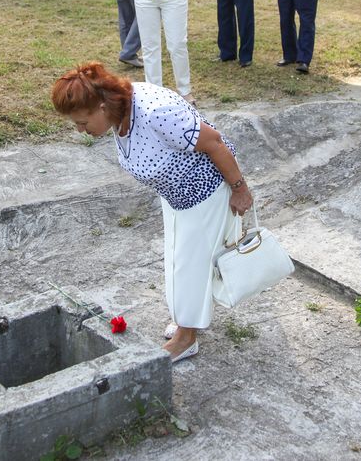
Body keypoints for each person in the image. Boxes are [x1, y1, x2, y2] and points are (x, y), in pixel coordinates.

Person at [51, 62, 254, 363]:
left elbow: (214, 142)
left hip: (206, 189)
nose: (81, 130)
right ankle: (185, 319)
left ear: (102, 106)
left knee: (191, 264)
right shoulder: (121, 112)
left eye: (82, 122)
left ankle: (187, 338)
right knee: (177, 261)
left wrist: (239, 188)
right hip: (176, 194)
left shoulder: (156, 113)